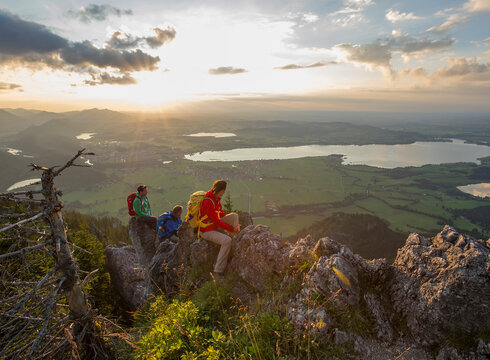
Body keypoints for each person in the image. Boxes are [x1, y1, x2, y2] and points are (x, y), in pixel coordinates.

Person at [199, 180, 240, 276]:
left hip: (213, 225)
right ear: (220, 190)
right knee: (226, 240)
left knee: (234, 216)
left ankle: (234, 243)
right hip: (206, 230)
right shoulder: (208, 202)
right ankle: (218, 271)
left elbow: (220, 213)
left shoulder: (215, 198)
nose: (223, 193)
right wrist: (231, 229)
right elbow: (217, 222)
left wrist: (232, 223)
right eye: (223, 191)